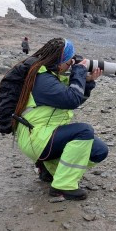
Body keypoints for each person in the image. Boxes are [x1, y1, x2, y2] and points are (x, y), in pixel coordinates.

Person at [11, 37, 108, 200]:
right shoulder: (44, 81)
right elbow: (71, 100)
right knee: (84, 131)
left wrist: (88, 81)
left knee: (98, 151)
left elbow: (73, 98)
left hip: (43, 135)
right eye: (69, 62)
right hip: (35, 138)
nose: (70, 65)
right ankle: (62, 187)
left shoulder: (50, 76)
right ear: (59, 61)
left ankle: (49, 170)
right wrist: (79, 71)